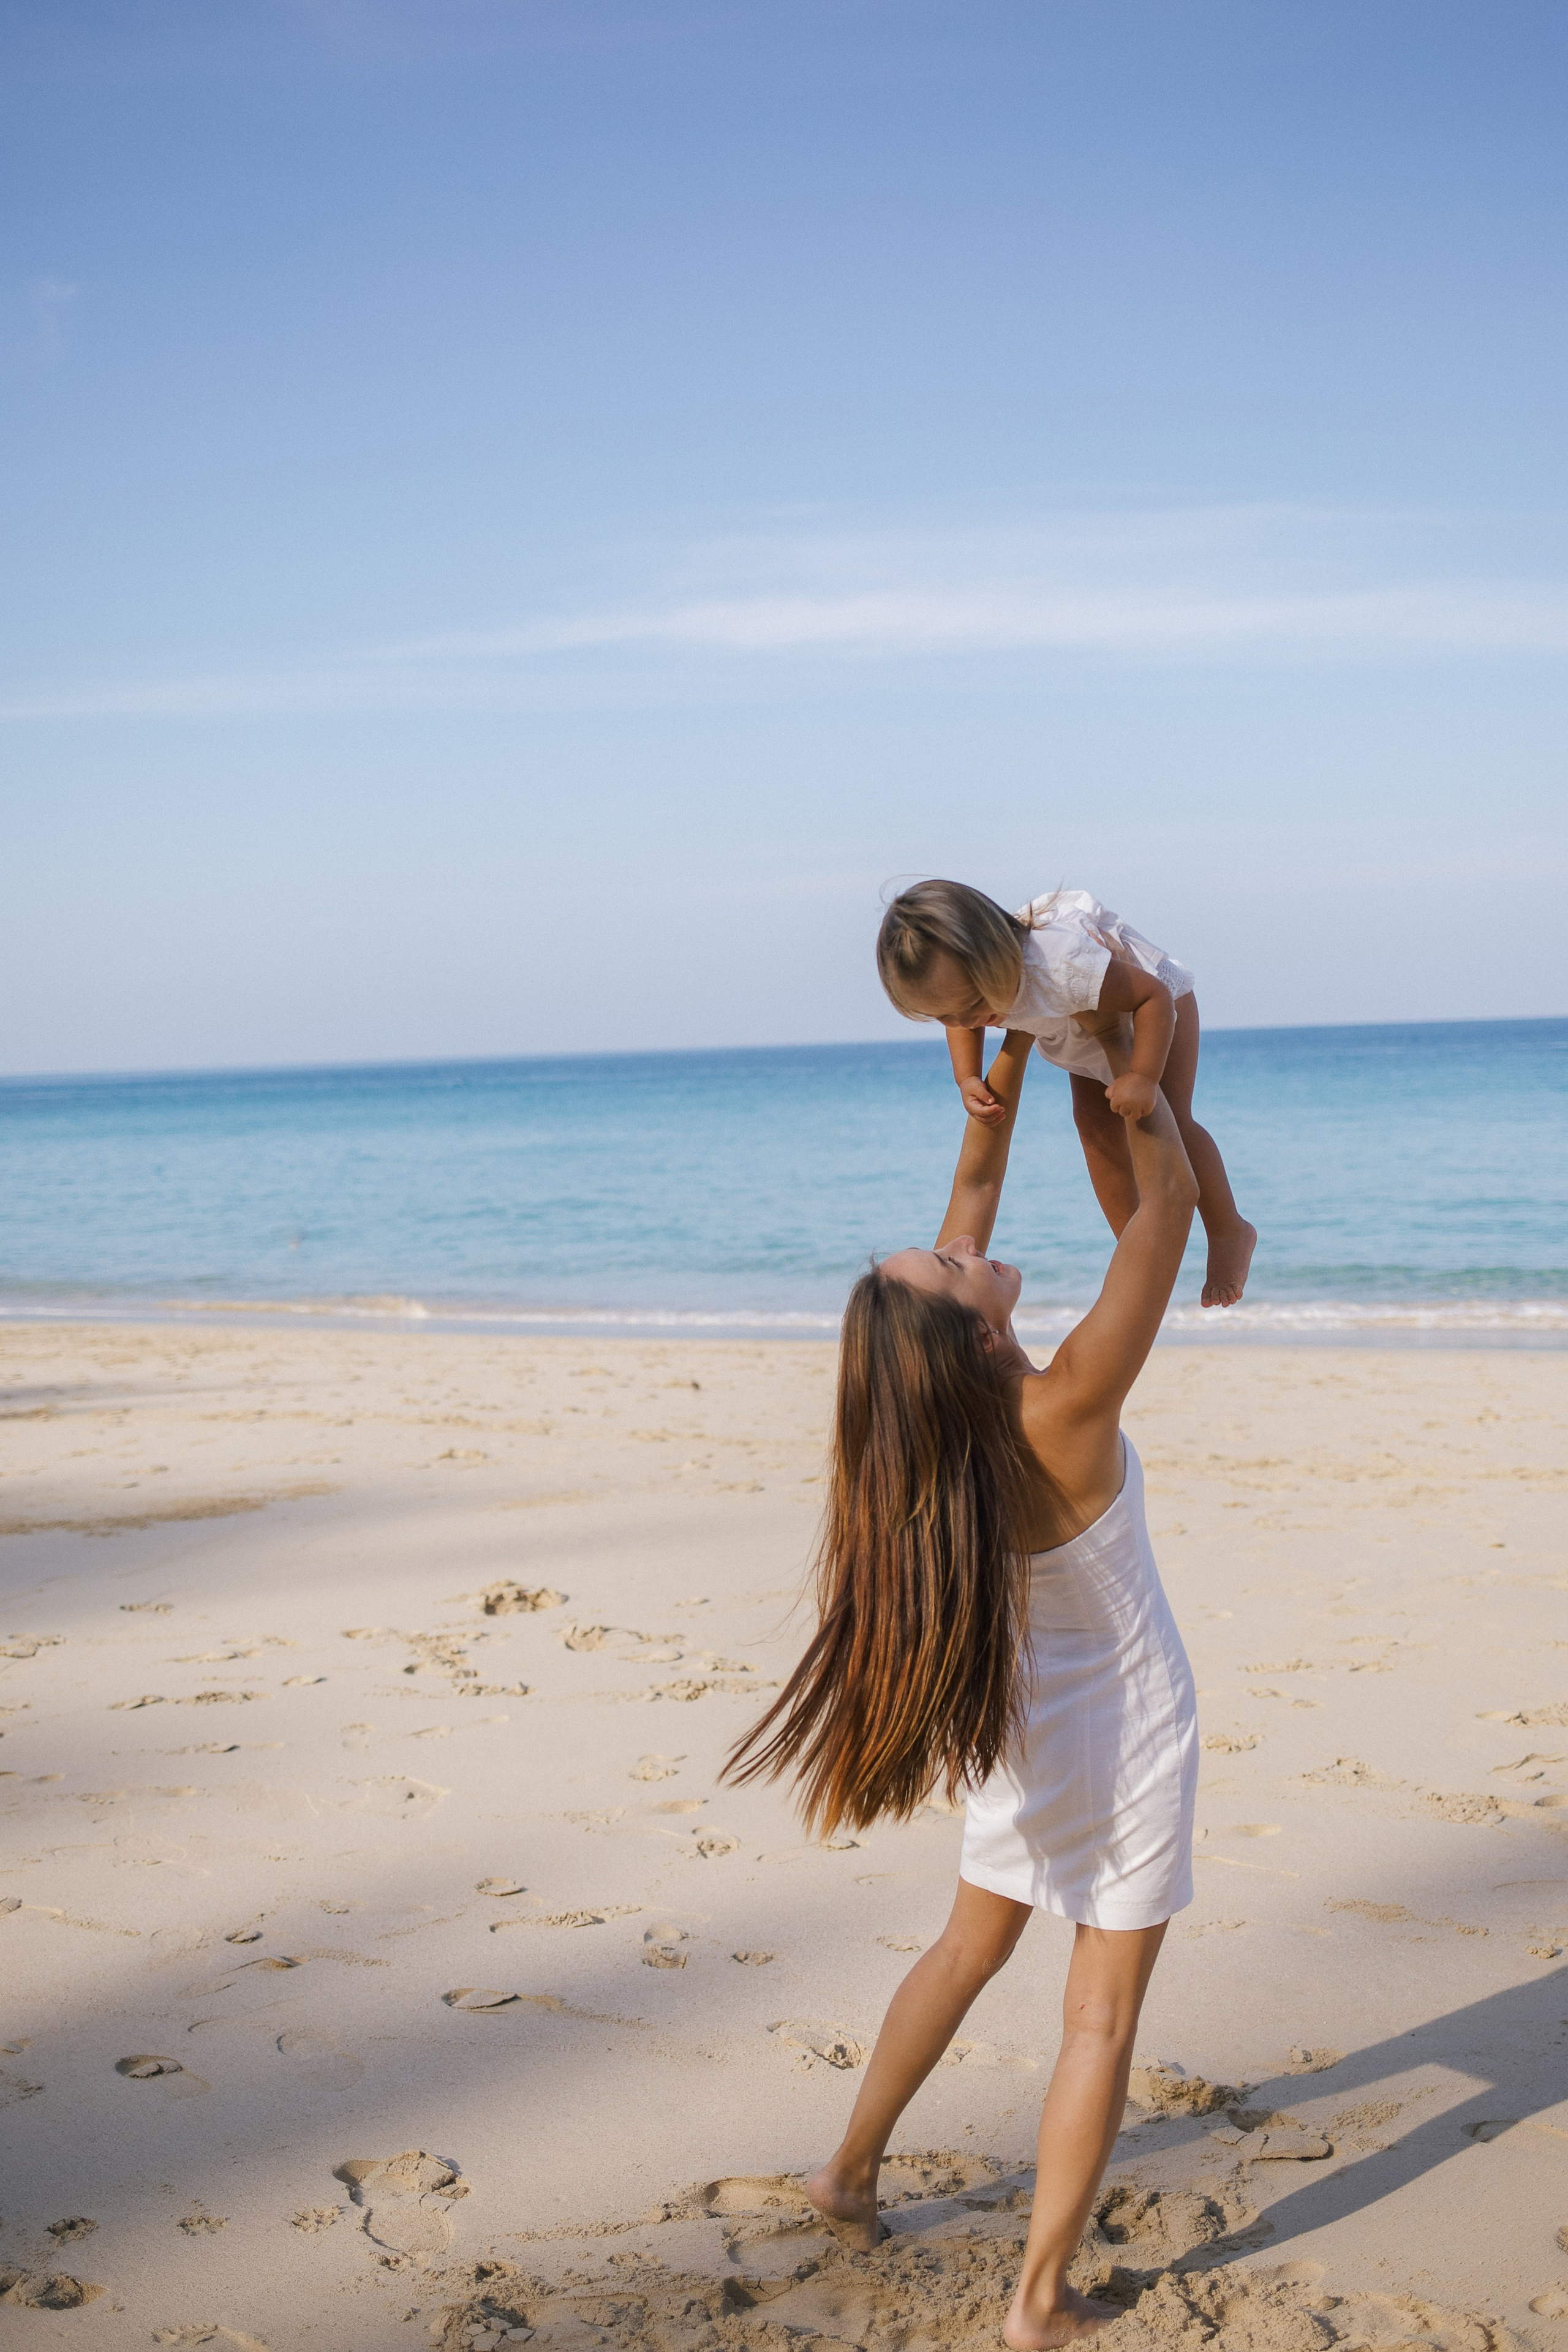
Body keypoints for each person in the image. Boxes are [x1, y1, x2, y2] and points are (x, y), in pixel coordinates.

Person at [725, 1026, 1200, 2345]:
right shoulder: (1061, 1409)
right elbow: (1158, 1217)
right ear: (958, 1326)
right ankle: (1035, 2306)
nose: (960, 1239)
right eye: (946, 1263)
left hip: (1013, 1729)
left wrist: (994, 1058)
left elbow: (976, 1202)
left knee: (967, 1944)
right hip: (1121, 1734)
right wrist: (1129, 1090)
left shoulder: (934, 1445)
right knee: (1095, 2017)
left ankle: (847, 2170)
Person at [876, 878, 1255, 1310]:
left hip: (1150, 1017)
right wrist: (967, 1077)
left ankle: (1229, 1230)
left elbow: (1154, 998)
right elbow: (963, 1020)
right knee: (1094, 1131)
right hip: (1074, 1025)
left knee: (1174, 1126)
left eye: (974, 1002)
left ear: (998, 951)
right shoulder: (972, 993)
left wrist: (1145, 1077)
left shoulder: (1062, 965)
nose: (968, 1020)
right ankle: (1133, 1245)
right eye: (947, 1014)